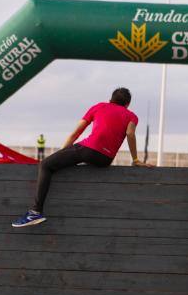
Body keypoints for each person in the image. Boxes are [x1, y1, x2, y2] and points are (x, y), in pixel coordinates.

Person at [12, 87, 150, 227]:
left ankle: (35, 212)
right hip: (105, 159)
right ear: (127, 104)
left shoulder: (99, 106)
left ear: (110, 100)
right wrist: (136, 159)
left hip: (88, 149)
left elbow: (75, 133)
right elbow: (130, 134)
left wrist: (60, 154)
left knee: (45, 165)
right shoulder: (131, 115)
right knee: (78, 161)